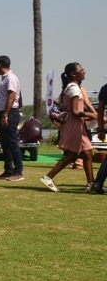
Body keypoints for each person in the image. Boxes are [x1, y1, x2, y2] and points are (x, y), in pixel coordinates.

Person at [39, 62, 96, 192]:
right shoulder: (74, 89)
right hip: (74, 125)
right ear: (73, 74)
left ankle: (91, 184)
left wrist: (88, 116)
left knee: (87, 153)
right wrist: (92, 114)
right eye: (81, 70)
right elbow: (75, 112)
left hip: (77, 124)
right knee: (72, 155)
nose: (84, 72)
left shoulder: (72, 87)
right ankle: (48, 178)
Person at [0, 55, 24, 181]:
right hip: (2, 113)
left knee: (12, 142)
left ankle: (18, 171)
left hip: (9, 113)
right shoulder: (5, 78)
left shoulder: (11, 78)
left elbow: (12, 96)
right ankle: (8, 170)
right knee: (5, 143)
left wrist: (5, 114)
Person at [88, 81, 107, 194]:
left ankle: (97, 184)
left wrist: (100, 129)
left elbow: (100, 111)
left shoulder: (104, 89)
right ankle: (98, 183)